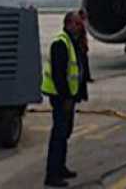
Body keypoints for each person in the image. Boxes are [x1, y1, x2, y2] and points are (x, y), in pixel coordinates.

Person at [42, 11, 85, 188]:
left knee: (65, 133)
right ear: (68, 24)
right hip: (61, 98)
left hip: (69, 97)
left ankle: (61, 167)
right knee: (58, 136)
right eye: (77, 23)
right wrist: (67, 97)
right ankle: (52, 175)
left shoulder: (71, 42)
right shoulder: (61, 42)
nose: (80, 26)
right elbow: (59, 74)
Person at [78, 9, 95, 83]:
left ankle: (86, 77)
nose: (86, 16)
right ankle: (85, 77)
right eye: (85, 14)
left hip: (82, 47)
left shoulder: (81, 24)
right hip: (81, 48)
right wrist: (83, 47)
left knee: (84, 64)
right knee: (83, 64)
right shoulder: (79, 24)